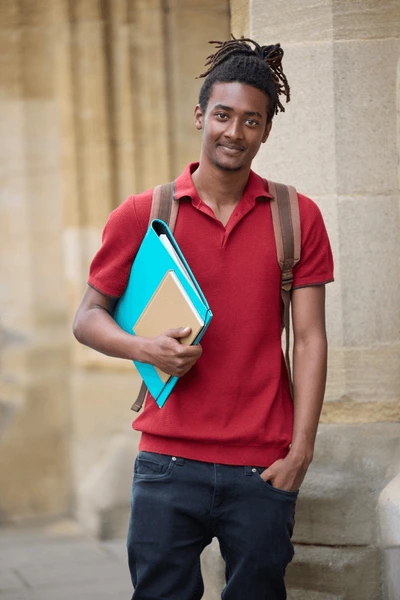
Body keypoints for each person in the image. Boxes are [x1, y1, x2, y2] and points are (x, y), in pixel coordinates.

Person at [73, 36, 334, 600]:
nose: (233, 132)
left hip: (262, 466)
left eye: (250, 121)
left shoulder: (297, 216)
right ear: (200, 116)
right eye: (222, 115)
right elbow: (88, 317)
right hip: (166, 463)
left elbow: (310, 339)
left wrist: (301, 451)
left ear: (265, 130)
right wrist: (145, 348)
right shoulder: (144, 214)